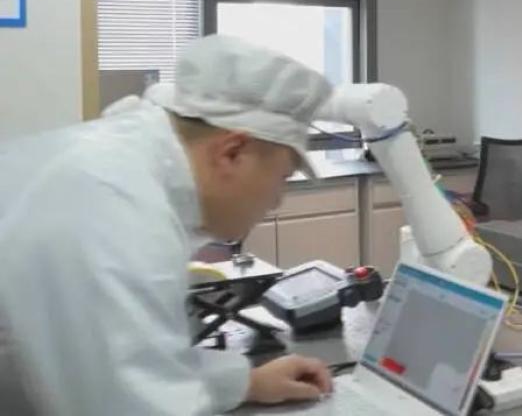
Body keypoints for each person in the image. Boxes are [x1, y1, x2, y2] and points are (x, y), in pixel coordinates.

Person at [0, 35, 336, 415]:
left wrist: (245, 382)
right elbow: (132, 404)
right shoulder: (119, 208)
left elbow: (129, 361)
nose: (276, 200)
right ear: (232, 153)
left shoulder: (119, 163)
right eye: (283, 178)